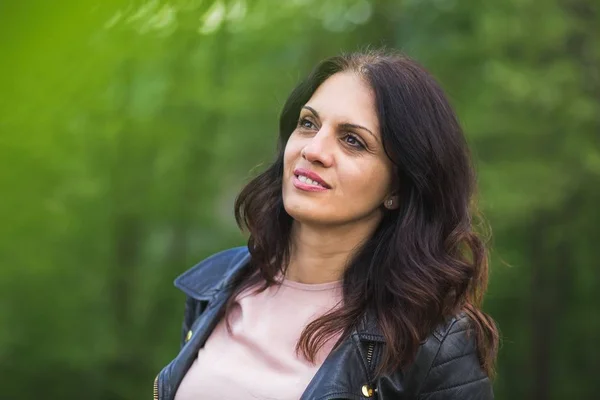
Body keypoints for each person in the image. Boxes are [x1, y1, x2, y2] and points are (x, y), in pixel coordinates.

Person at [153, 49, 499, 400]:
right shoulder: (216, 285)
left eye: (352, 140)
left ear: (399, 186)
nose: (314, 149)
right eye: (308, 123)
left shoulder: (434, 343)